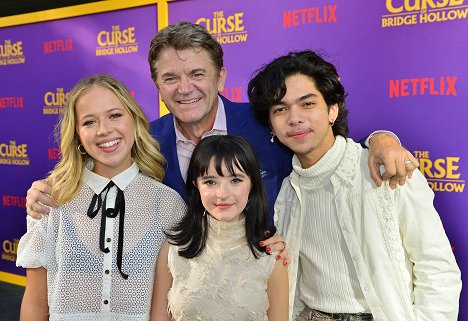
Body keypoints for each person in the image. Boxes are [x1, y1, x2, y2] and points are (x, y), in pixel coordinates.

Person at [25, 21, 417, 252]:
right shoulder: (144, 141)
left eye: (197, 74)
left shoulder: (268, 123)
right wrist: (47, 188)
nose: (185, 88)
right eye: (171, 78)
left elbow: (327, 147)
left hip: (267, 290)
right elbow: (96, 171)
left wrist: (382, 141)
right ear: (156, 85)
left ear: (221, 76)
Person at [247, 50, 462, 321]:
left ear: (332, 110)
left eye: (308, 104)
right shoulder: (286, 192)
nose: (294, 118)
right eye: (280, 109)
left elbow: (437, 269)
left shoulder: (387, 170)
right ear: (271, 125)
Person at [16, 75, 186, 320]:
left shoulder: (168, 204)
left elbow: (170, 307)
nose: (104, 130)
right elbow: (35, 304)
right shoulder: (51, 200)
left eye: (115, 115)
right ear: (77, 135)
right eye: (89, 122)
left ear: (134, 121)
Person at [151, 135, 288, 321]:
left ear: (252, 184)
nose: (222, 194)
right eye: (210, 182)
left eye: (235, 180)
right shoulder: (174, 248)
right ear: (196, 186)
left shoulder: (270, 254)